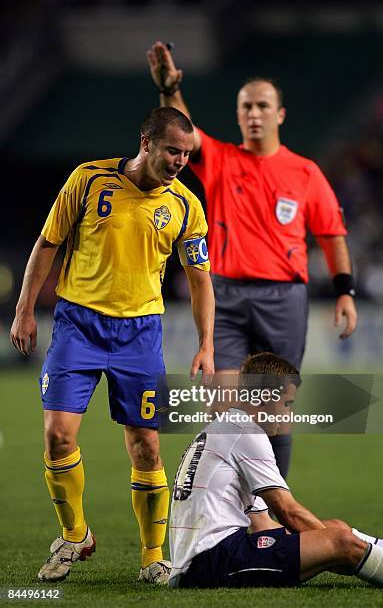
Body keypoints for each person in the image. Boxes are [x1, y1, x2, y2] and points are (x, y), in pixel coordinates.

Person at [10, 107, 215, 585]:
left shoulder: (185, 205)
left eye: (186, 154)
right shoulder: (88, 179)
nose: (180, 161)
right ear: (146, 143)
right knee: (58, 435)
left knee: (145, 445)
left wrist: (207, 344)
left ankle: (152, 557)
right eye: (172, 151)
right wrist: (24, 309)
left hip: (140, 334)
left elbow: (200, 280)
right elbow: (47, 244)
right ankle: (75, 533)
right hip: (77, 325)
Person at [147, 42, 358, 479]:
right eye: (247, 106)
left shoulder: (305, 172)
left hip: (283, 299)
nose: (255, 113)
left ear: (280, 114)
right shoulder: (221, 159)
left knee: (274, 409)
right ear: (239, 114)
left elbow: (332, 236)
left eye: (263, 105)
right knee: (221, 404)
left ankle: (271, 511)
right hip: (224, 296)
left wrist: (345, 293)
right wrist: (170, 89)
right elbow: (184, 128)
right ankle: (227, 508)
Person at [169, 352, 383, 589]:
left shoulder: (227, 427)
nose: (288, 415)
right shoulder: (246, 433)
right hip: (211, 561)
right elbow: (288, 512)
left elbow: (263, 523)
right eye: (286, 404)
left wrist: (324, 542)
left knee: (336, 528)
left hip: (206, 558)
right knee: (341, 541)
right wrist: (333, 546)